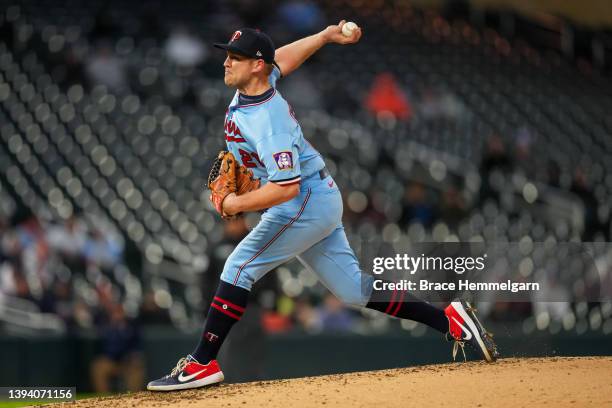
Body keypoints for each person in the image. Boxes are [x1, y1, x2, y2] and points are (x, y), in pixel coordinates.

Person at [147, 21, 498, 391]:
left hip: (303, 201)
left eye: (236, 57)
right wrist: (325, 36)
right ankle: (451, 322)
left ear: (255, 66)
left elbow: (286, 187)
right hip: (319, 197)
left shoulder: (269, 119)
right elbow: (281, 58)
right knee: (352, 290)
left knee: (238, 266)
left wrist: (236, 201)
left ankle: (202, 362)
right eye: (228, 56)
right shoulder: (259, 81)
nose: (226, 63)